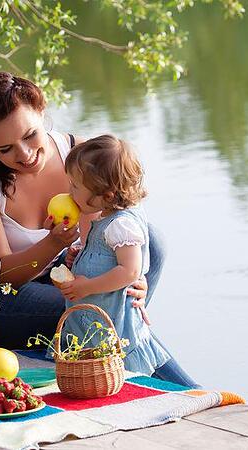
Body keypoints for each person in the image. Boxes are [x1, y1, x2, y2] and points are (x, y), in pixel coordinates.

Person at [0, 71, 197, 386]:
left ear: (42, 112)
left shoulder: (79, 155)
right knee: (88, 305)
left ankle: (117, 343)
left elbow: (125, 223)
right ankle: (182, 388)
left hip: (74, 275)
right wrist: (55, 243)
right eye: (5, 149)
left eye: (30, 135)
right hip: (9, 297)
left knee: (152, 241)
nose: (24, 155)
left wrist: (135, 279)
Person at [57, 134, 177, 379]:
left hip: (112, 318)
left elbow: (130, 270)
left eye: (76, 187)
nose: (69, 191)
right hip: (95, 316)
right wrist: (81, 254)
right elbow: (107, 256)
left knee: (119, 369)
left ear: (107, 196)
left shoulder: (121, 225)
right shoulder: (109, 217)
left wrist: (87, 286)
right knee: (98, 365)